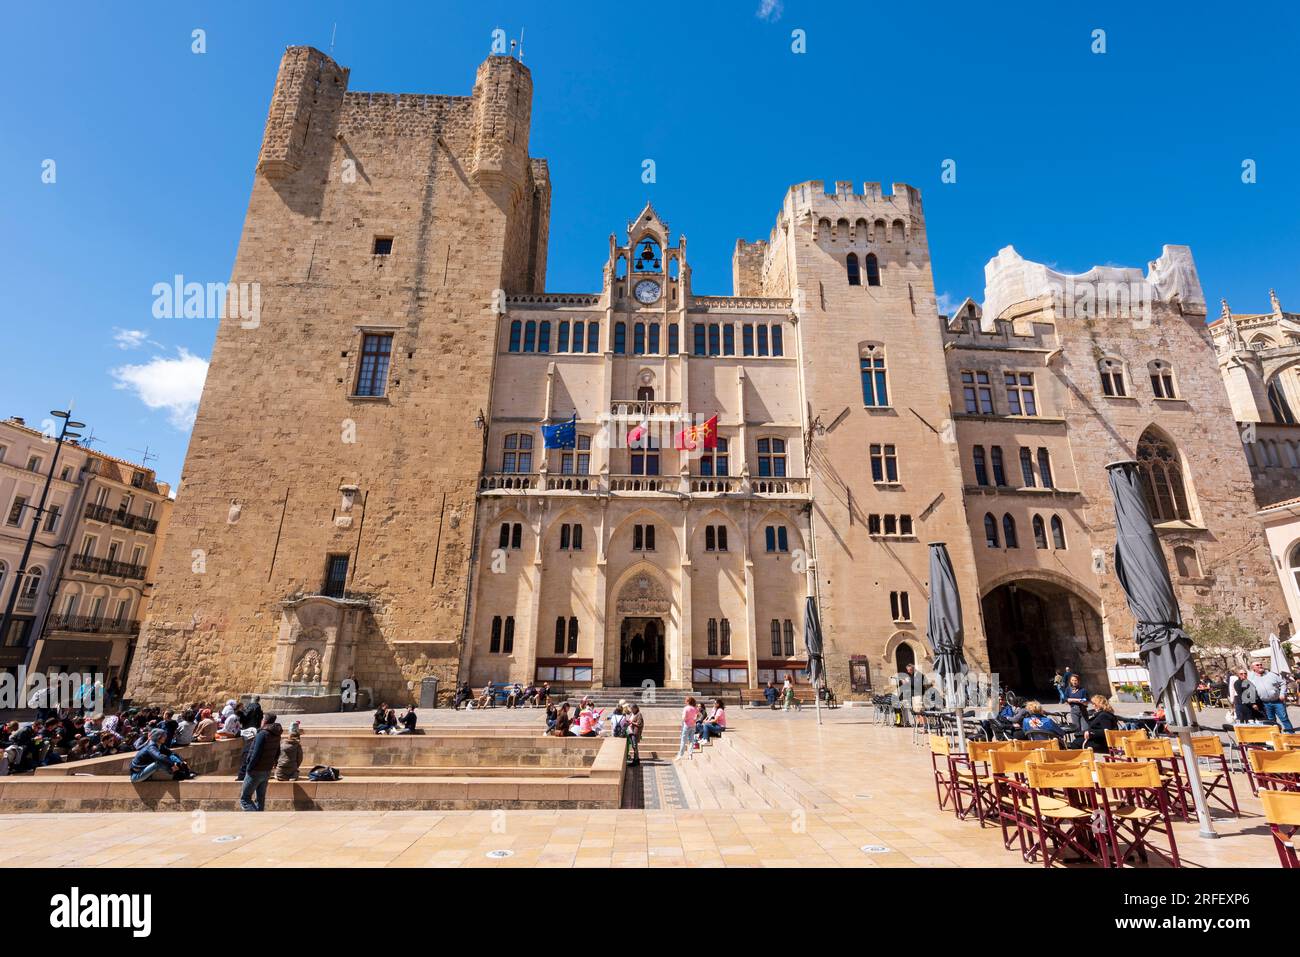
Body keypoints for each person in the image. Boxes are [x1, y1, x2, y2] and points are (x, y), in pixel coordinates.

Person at [240, 715, 282, 812]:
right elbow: (278, 752)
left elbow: (256, 752)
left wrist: (249, 767)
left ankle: (255, 818)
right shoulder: (276, 734)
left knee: (245, 799)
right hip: (266, 770)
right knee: (260, 799)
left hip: (255, 770)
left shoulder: (262, 734)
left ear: (265, 721)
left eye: (262, 719)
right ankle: (260, 817)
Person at [1248, 660, 1296, 732]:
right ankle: (1276, 736)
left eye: (1261, 664)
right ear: (1253, 668)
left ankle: (1291, 735)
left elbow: (1283, 683)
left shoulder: (1271, 675)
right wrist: (1253, 703)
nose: (1260, 666)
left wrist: (1282, 693)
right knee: (1271, 721)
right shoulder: (1251, 678)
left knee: (1284, 718)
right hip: (1264, 703)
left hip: (1277, 701)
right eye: (1257, 665)